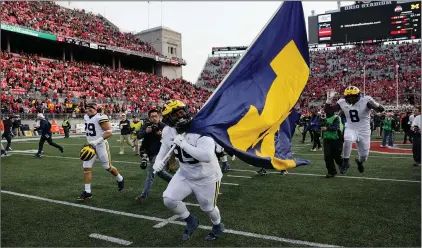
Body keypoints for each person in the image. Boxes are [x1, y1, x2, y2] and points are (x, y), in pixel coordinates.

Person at [153, 100, 224, 241]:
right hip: (185, 173)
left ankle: (217, 225)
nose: (180, 117)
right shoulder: (168, 131)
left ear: (186, 110)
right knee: (169, 199)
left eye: (180, 112)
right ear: (168, 120)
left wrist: (184, 145)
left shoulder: (201, 127)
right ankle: (191, 220)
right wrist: (158, 161)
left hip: (207, 176)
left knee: (208, 208)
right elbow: (165, 148)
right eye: (174, 115)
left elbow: (206, 156)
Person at [325, 86, 384, 175]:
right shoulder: (342, 102)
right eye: (348, 97)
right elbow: (329, 111)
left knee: (364, 156)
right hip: (351, 127)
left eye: (353, 96)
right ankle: (345, 162)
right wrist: (329, 100)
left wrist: (376, 104)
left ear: (358, 95)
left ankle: (360, 162)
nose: (350, 99)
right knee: (347, 139)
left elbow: (380, 110)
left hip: (364, 131)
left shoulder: (365, 100)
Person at [78, 102, 124, 200]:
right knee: (86, 168)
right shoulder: (86, 116)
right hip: (90, 146)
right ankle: (87, 192)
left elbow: (109, 132)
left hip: (101, 145)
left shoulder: (101, 117)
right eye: (87, 108)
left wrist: (96, 141)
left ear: (95, 109)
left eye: (90, 108)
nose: (88, 110)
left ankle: (120, 178)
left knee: (107, 167)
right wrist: (91, 141)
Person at [135, 109, 173, 204]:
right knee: (160, 173)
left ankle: (144, 195)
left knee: (151, 173)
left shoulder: (164, 127)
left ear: (159, 116)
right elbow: (139, 136)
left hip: (161, 154)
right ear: (149, 118)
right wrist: (146, 132)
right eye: (152, 116)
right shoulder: (146, 125)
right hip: (149, 153)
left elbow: (171, 141)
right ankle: (177, 182)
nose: (154, 118)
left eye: (156, 116)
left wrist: (161, 135)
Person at [321, 110, 344, 177]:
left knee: (336, 156)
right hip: (327, 139)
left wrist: (327, 128)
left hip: (336, 139)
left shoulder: (336, 117)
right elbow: (321, 125)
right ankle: (331, 172)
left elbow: (336, 127)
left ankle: (341, 163)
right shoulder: (324, 117)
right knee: (327, 156)